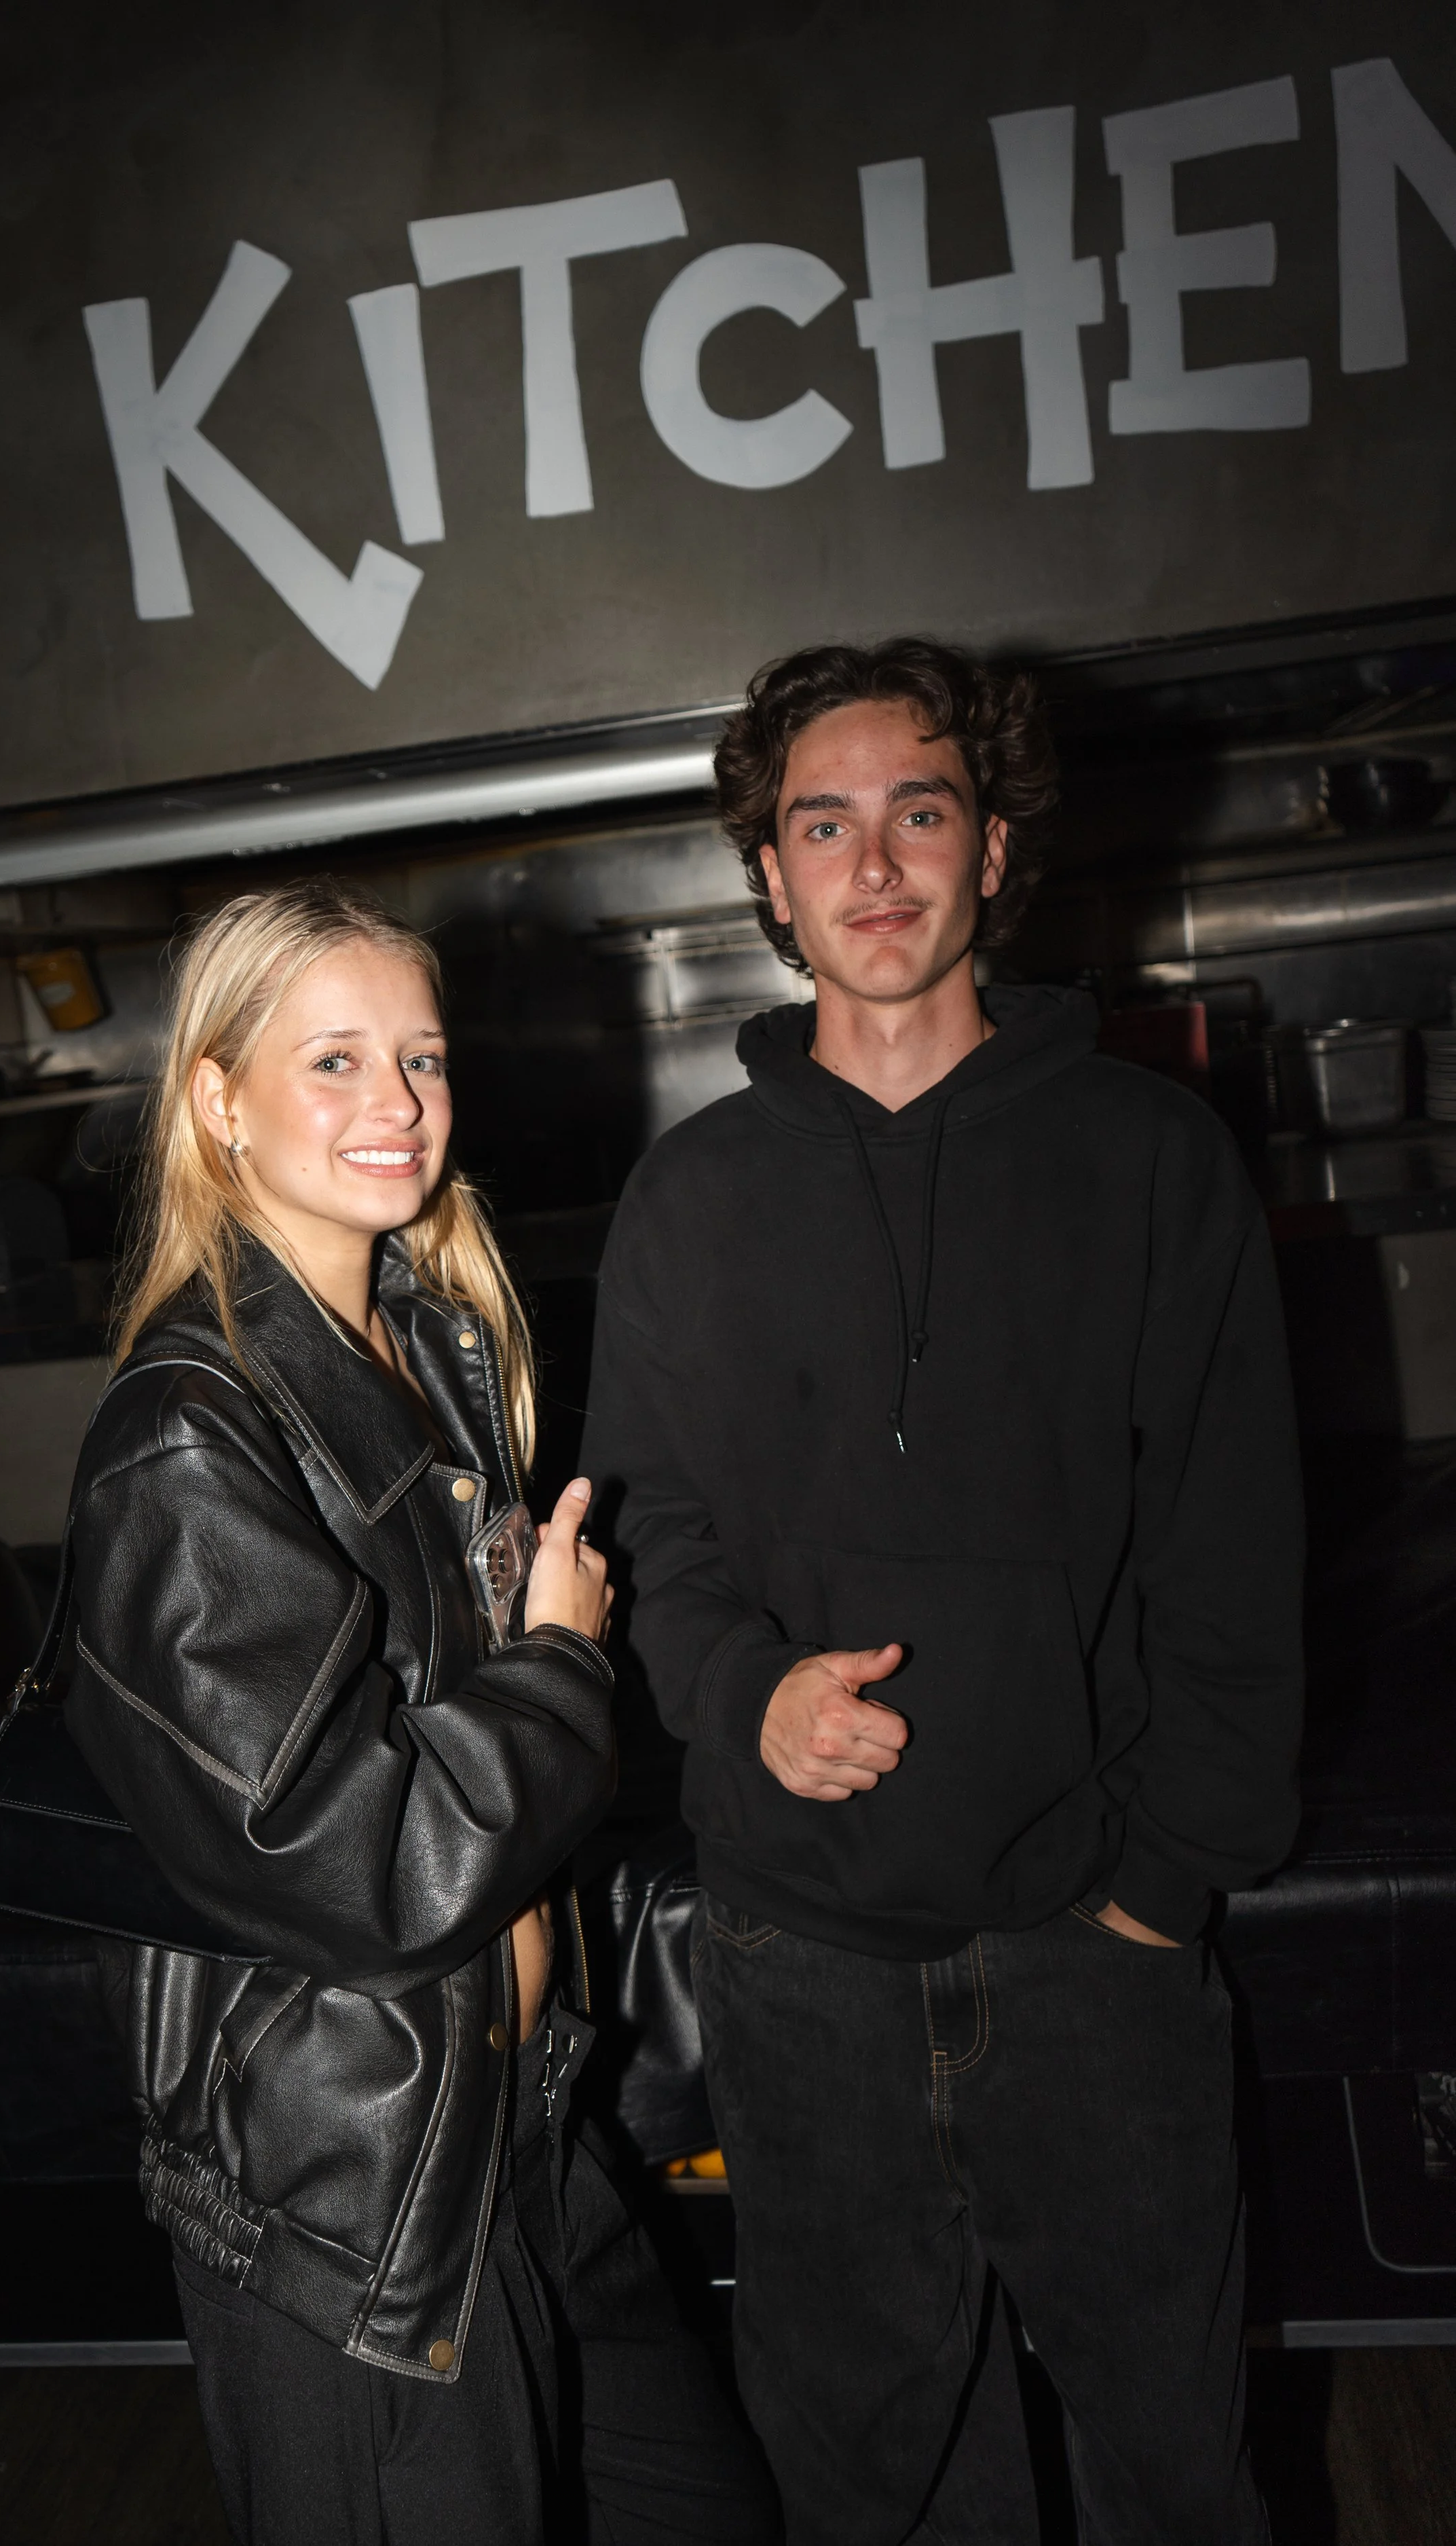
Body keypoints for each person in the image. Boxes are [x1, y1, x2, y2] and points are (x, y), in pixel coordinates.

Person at [580, 640, 1304, 2545]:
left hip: (1096, 1947)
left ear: (991, 850)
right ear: (766, 875)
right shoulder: (688, 1198)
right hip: (793, 1965)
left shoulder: (1150, 1160)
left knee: (1175, 2464)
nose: (873, 861)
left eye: (918, 811)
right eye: (822, 822)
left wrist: (1168, 1885)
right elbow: (654, 1531)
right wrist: (747, 1698)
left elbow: (1235, 1546)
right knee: (877, 2484)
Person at [65, 879, 777, 2546]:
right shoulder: (192, 1435)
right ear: (217, 1099)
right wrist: (561, 1663)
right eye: (334, 1062)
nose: (396, 1106)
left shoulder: (426, 1343)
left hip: (520, 2127)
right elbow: (354, 1864)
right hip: (355, 2204)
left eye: (422, 1058)